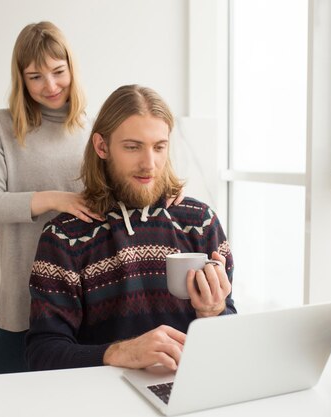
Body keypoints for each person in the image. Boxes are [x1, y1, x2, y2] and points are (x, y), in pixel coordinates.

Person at [0, 23, 183, 375]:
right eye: (36, 76)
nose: (50, 86)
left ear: (72, 68)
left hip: (84, 306)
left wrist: (167, 187)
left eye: (58, 72)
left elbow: (126, 189)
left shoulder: (93, 128)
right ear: (21, 79)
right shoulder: (2, 127)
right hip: (21, 304)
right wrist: (56, 199)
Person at [26, 84, 236, 371]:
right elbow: (42, 353)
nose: (149, 164)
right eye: (132, 147)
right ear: (102, 147)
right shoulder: (64, 236)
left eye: (159, 147)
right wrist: (118, 353)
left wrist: (214, 313)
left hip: (187, 392)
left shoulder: (200, 222)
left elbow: (230, 333)